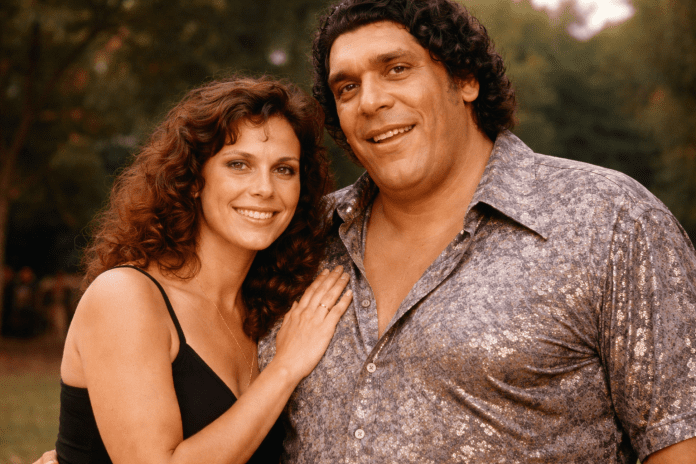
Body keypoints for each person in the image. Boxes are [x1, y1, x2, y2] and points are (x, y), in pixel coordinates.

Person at [255, 1, 696, 463]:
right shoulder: (299, 237)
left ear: (466, 79)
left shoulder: (609, 219)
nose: (370, 101)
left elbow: (680, 439)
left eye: (397, 69)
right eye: (347, 87)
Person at [35, 76, 353, 464]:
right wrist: (285, 368)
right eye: (239, 165)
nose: (265, 189)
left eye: (284, 169)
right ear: (194, 179)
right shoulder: (125, 296)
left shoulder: (268, 308)